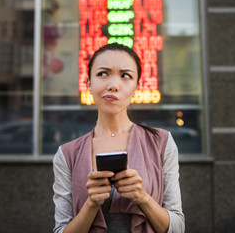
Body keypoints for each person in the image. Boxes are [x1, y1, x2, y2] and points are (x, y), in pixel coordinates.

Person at [53, 43, 185, 233]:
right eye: (103, 74)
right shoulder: (67, 154)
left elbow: (178, 228)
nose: (113, 85)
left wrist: (142, 197)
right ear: (89, 84)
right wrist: (91, 204)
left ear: (136, 87)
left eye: (125, 76)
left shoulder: (161, 143)